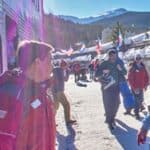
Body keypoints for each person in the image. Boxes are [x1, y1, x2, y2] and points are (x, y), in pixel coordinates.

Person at [0, 40, 56, 150]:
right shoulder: (12, 93)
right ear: (37, 62)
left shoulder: (41, 90)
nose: (52, 65)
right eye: (50, 61)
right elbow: (4, 140)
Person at [95, 49, 125, 130]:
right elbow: (96, 74)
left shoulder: (118, 63)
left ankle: (112, 117)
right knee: (108, 104)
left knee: (117, 103)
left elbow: (125, 73)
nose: (113, 57)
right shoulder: (104, 63)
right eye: (111, 55)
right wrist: (103, 71)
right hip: (106, 87)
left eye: (114, 55)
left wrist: (120, 69)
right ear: (109, 55)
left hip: (116, 86)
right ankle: (110, 121)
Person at [52, 60, 76, 126]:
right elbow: (66, 79)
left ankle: (51, 121)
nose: (66, 67)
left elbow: (64, 79)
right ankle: (68, 120)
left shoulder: (57, 69)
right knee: (66, 105)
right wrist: (68, 72)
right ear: (64, 65)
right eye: (66, 66)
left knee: (55, 107)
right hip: (59, 91)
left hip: (54, 90)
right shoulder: (59, 70)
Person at [128, 54, 149, 119]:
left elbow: (146, 77)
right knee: (137, 100)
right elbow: (130, 79)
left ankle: (139, 108)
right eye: (137, 58)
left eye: (139, 58)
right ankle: (136, 113)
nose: (138, 60)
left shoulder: (143, 66)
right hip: (135, 87)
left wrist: (146, 85)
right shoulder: (132, 68)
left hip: (141, 87)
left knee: (141, 99)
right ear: (135, 59)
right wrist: (134, 88)